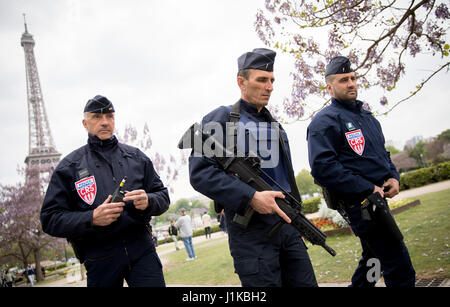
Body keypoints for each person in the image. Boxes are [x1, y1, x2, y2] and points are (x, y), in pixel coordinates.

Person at [188, 48, 317, 287]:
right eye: (261, 80)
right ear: (241, 82)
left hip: (288, 227)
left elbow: (288, 179)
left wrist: (300, 221)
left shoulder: (276, 126)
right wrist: (251, 197)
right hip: (251, 235)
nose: (269, 87)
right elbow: (200, 174)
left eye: (271, 81)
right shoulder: (221, 117)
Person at [307, 56, 416, 287]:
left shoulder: (367, 116)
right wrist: (369, 188)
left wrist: (393, 177)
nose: (351, 83)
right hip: (361, 205)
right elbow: (323, 168)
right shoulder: (324, 122)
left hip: (378, 199)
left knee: (373, 261)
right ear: (329, 87)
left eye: (353, 78)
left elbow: (382, 154)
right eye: (344, 79)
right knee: (399, 265)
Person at [40, 95, 170, 287]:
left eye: (109, 117)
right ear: (85, 123)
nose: (105, 122)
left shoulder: (136, 157)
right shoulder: (69, 167)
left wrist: (149, 201)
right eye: (97, 117)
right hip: (99, 257)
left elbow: (163, 197)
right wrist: (91, 217)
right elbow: (49, 219)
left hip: (142, 249)